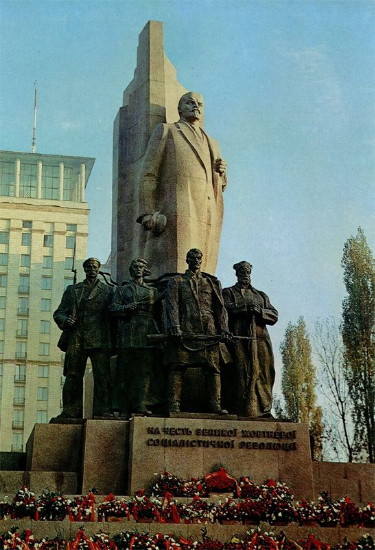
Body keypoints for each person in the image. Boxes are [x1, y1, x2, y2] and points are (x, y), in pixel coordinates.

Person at [137, 92, 227, 277]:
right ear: (179, 108)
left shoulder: (213, 142)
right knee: (175, 269)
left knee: (203, 271)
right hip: (178, 206)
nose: (196, 107)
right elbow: (149, 174)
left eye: (200, 104)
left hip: (207, 208)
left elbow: (220, 184)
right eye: (190, 103)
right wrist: (147, 212)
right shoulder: (167, 130)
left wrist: (222, 173)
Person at [165, 248, 231, 414]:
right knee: (178, 367)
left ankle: (215, 405)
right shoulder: (177, 281)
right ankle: (174, 404)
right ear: (187, 260)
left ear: (202, 260)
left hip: (209, 331)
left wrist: (224, 328)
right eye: (192, 258)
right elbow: (172, 304)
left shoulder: (212, 282)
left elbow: (220, 308)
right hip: (185, 329)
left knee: (213, 368)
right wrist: (174, 326)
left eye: (198, 258)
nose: (196, 261)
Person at [53, 258, 113, 418]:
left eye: (94, 266)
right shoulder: (73, 290)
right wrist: (66, 320)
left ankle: (103, 410)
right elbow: (59, 313)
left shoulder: (108, 291)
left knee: (102, 375)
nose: (92, 269)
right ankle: (71, 410)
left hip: (99, 338)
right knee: (73, 375)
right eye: (89, 266)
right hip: (77, 336)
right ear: (85, 269)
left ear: (99, 269)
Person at [222, 261, 278, 417]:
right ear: (237, 274)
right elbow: (224, 309)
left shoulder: (260, 295)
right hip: (239, 338)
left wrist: (259, 311)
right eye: (242, 273)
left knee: (265, 372)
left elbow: (274, 315)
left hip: (260, 340)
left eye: (247, 273)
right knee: (240, 371)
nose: (245, 275)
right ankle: (241, 408)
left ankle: (264, 408)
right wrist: (245, 308)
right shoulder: (228, 292)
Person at [109, 258, 161, 417]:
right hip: (128, 332)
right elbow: (112, 308)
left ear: (145, 270)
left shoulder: (153, 291)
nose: (138, 269)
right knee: (125, 371)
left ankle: (142, 403)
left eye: (141, 267)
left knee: (145, 371)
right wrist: (126, 307)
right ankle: (123, 405)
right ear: (131, 270)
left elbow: (159, 313)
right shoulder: (122, 290)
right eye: (135, 267)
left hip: (146, 332)